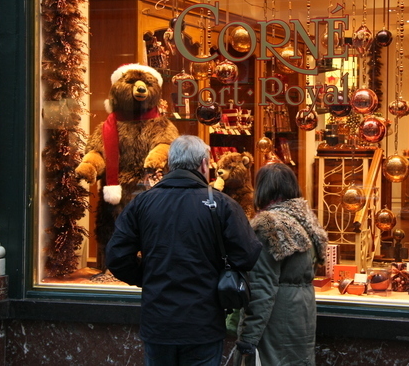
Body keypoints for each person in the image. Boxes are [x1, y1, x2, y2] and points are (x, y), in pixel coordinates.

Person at [106, 135, 262, 366]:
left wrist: (146, 276)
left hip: (159, 321)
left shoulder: (142, 202)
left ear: (170, 164)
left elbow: (117, 256)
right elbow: (247, 255)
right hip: (204, 322)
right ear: (204, 164)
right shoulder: (222, 204)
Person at [234, 162, 328, 366]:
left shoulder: (268, 225)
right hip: (302, 314)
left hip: (274, 321)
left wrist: (248, 337)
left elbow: (261, 287)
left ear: (262, 190)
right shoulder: (307, 222)